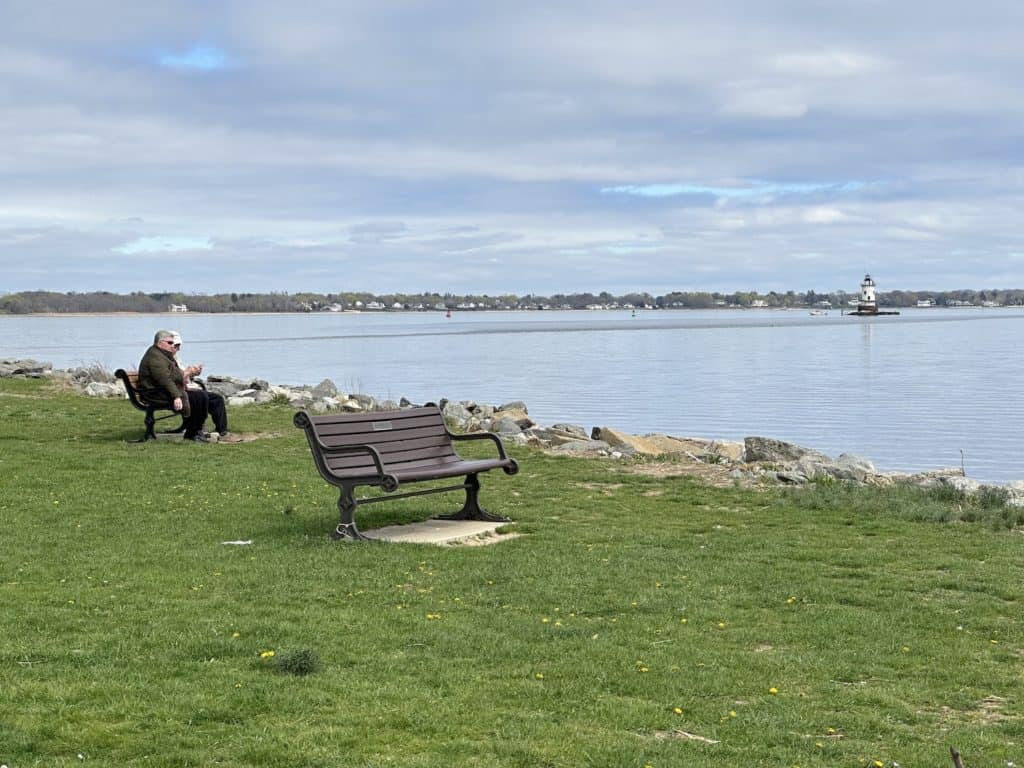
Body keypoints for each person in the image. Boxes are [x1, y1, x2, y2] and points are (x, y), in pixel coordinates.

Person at [137, 329, 210, 442]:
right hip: (155, 394)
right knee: (198, 398)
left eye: (173, 343)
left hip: (163, 391)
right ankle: (193, 432)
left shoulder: (163, 355)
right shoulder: (155, 358)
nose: (173, 345)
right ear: (160, 343)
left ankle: (195, 431)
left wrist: (189, 374)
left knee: (201, 396)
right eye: (170, 343)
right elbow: (164, 380)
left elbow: (175, 375)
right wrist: (176, 396)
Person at [168, 330, 230, 438]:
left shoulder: (176, 358)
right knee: (202, 396)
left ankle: (222, 430)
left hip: (185, 388)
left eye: (179, 345)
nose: (178, 348)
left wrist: (193, 373)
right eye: (176, 345)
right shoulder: (166, 360)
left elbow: (183, 377)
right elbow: (172, 380)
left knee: (217, 399)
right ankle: (197, 429)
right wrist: (187, 373)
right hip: (179, 392)